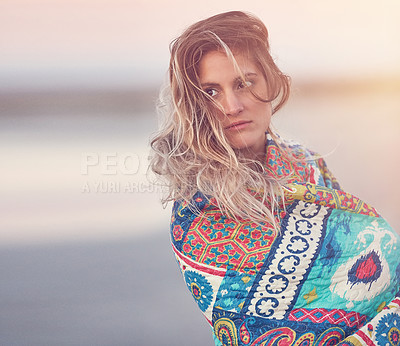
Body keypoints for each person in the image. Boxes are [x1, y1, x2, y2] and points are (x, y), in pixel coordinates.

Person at [150, 10, 400, 346]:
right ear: (195, 106)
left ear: (271, 81)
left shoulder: (308, 166)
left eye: (244, 83)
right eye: (211, 92)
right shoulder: (197, 213)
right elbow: (253, 332)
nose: (232, 105)